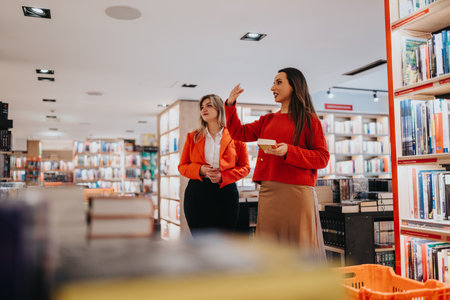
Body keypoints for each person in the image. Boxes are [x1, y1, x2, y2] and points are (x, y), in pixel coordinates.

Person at [225, 67, 329, 257]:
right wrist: (230, 104)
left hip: (297, 193)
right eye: (273, 83)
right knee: (269, 251)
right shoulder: (268, 119)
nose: (272, 87)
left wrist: (289, 150)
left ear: (294, 86)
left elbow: (322, 158)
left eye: (278, 82)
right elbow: (238, 132)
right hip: (269, 192)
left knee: (300, 251)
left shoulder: (309, 120)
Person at [178, 94, 250, 235]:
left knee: (224, 241)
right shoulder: (192, 137)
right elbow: (182, 166)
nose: (204, 109)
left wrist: (223, 176)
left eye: (209, 105)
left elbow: (245, 167)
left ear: (219, 108)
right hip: (197, 194)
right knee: (199, 241)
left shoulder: (236, 136)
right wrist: (200, 170)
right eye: (202, 107)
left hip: (226, 192)